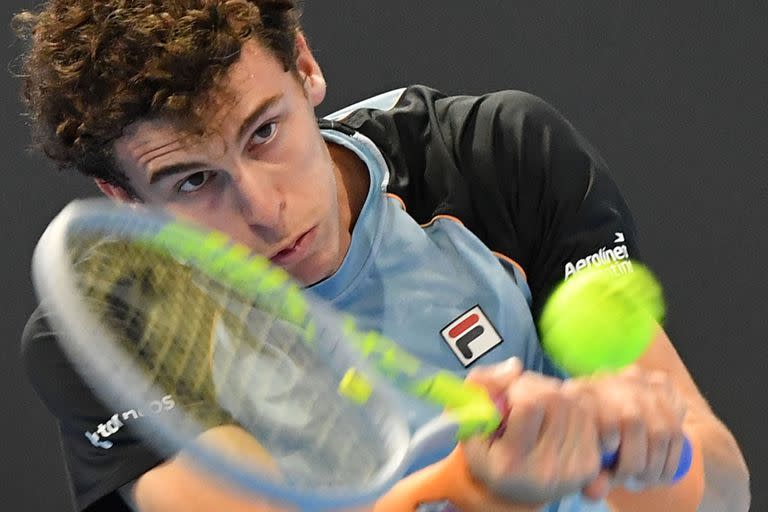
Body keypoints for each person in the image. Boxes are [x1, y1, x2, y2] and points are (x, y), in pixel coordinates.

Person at [13, 1, 749, 511]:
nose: (264, 211)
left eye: (264, 132)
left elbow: (723, 491)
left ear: (305, 67)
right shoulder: (111, 325)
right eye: (195, 180)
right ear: (125, 195)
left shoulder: (492, 158)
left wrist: (647, 452)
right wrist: (482, 490)